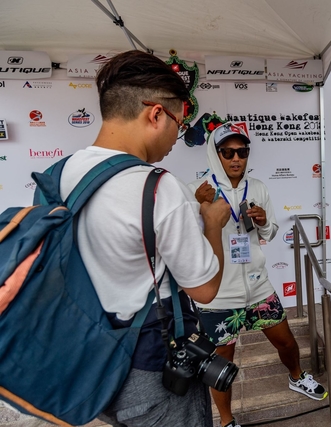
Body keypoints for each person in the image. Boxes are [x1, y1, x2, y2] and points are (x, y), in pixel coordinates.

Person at [59, 50, 229, 427]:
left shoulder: (63, 174)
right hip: (153, 372)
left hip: (92, 364)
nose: (176, 137)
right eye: (179, 124)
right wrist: (213, 225)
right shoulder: (159, 189)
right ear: (155, 114)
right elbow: (204, 289)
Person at [189, 124, 327, 427]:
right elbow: (186, 241)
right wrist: (197, 206)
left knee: (287, 343)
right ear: (215, 154)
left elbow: (270, 232)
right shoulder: (197, 190)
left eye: (242, 152)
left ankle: (296, 377)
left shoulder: (258, 187)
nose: (236, 158)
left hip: (258, 287)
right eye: (228, 152)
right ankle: (226, 420)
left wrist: (264, 221)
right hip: (218, 295)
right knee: (221, 364)